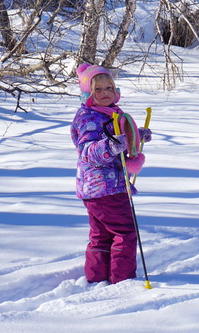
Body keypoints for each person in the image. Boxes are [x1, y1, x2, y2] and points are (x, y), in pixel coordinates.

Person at [70, 63, 152, 283]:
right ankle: (122, 280)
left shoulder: (109, 113)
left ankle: (96, 278)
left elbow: (119, 135)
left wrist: (136, 135)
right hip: (106, 187)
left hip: (97, 188)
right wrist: (113, 145)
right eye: (98, 90)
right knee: (124, 233)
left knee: (101, 236)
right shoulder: (89, 118)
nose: (105, 92)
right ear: (88, 93)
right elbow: (88, 152)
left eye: (109, 88)